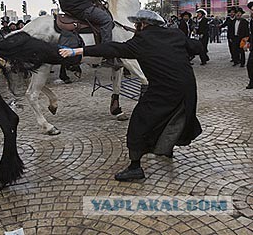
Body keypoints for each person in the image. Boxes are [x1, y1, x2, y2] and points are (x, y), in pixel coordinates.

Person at [59, 10, 202, 181]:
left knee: (138, 123)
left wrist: (77, 51)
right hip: (187, 86)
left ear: (143, 25)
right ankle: (166, 148)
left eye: (136, 25)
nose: (135, 28)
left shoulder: (141, 41)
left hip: (163, 89)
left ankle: (135, 167)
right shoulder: (175, 34)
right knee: (173, 115)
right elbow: (196, 47)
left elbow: (112, 48)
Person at [246, 1, 253, 89]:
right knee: (250, 65)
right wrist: (248, 42)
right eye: (251, 10)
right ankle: (251, 81)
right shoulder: (251, 21)